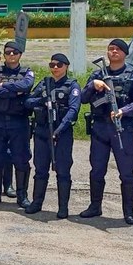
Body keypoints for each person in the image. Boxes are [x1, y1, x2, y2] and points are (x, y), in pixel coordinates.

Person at [80, 38, 133, 224]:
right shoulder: (98, 74)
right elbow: (83, 99)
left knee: (126, 172)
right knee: (97, 170)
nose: (114, 52)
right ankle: (95, 207)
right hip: (100, 128)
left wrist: (123, 111)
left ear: (125, 53)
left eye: (118, 49)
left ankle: (129, 212)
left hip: (122, 128)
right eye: (111, 49)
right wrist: (92, 85)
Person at [23, 53, 80, 218]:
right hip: (42, 132)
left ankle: (63, 208)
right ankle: (36, 203)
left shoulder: (72, 86)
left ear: (66, 66)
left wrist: (59, 129)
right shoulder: (44, 84)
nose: (55, 68)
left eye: (59, 65)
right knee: (40, 169)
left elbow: (73, 110)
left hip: (61, 134)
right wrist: (42, 100)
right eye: (52, 65)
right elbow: (28, 102)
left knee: (63, 171)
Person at [0, 41, 34, 208]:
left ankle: (22, 196)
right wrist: (15, 92)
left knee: (21, 160)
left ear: (20, 54)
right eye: (8, 52)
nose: (11, 55)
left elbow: (27, 86)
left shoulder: (27, 72)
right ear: (4, 55)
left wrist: (4, 86)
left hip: (18, 122)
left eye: (15, 52)